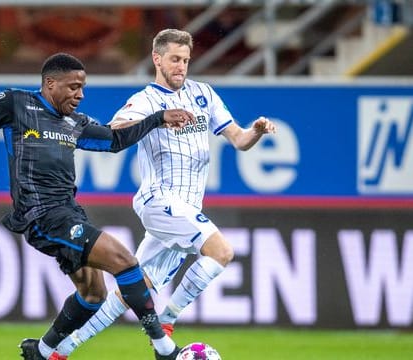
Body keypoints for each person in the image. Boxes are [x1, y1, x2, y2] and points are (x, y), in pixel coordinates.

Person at [0, 52, 195, 360]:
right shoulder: (17, 104)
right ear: (50, 83)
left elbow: (114, 141)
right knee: (125, 261)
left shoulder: (74, 123)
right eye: (74, 86)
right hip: (42, 214)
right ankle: (164, 349)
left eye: (83, 87)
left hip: (68, 211)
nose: (80, 94)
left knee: (93, 294)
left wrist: (157, 119)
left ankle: (42, 351)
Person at [51, 29, 277, 359]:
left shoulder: (204, 94)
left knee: (131, 291)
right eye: (175, 59)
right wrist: (155, 121)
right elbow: (114, 132)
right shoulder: (146, 100)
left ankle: (62, 350)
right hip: (159, 199)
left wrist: (255, 132)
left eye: (186, 60)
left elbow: (240, 141)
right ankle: (168, 320)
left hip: (185, 209)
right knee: (222, 251)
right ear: (157, 59)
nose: (182, 66)